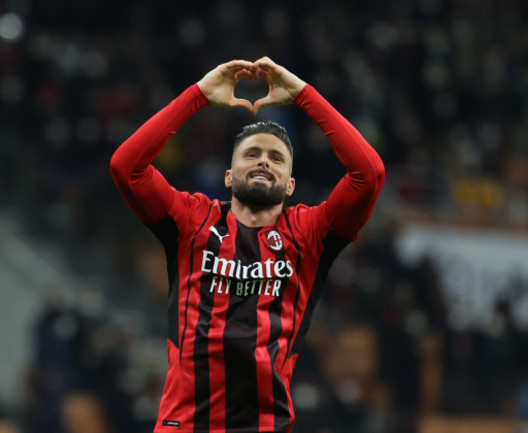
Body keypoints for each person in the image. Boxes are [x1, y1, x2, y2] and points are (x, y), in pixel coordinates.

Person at [110, 57, 385, 433]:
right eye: (251, 154)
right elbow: (126, 167)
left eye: (277, 158)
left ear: (290, 185)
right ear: (228, 175)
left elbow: (368, 175)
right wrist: (198, 96)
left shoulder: (310, 233)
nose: (263, 162)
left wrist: (304, 95)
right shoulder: (192, 220)